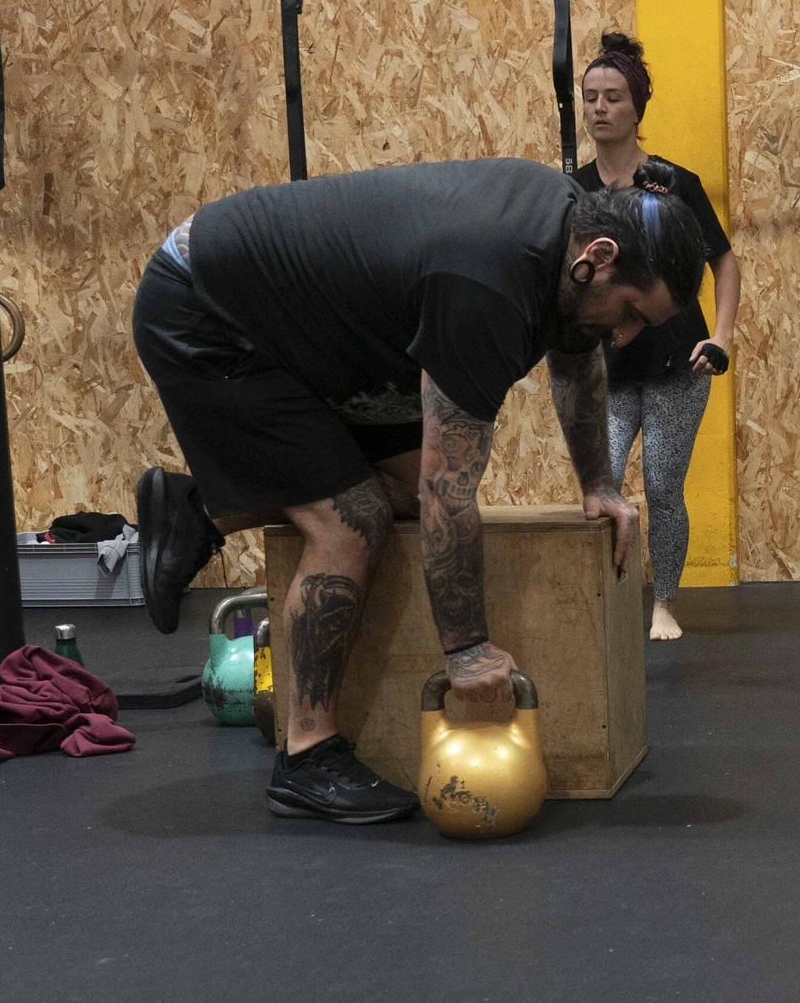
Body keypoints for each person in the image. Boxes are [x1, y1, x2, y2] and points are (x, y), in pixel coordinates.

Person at [132, 159, 706, 822]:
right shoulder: (488, 281)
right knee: (352, 523)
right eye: (631, 310)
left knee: (394, 495)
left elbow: (576, 360)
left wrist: (598, 481)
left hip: (316, 332)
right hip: (209, 312)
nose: (627, 332)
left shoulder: (569, 235)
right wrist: (465, 648)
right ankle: (306, 757)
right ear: (598, 257)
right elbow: (448, 489)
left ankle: (199, 508)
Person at [576, 31, 739, 642]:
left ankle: (663, 602)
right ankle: (611, 604)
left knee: (664, 486)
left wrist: (720, 336)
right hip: (605, 369)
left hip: (677, 363)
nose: (598, 109)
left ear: (636, 108)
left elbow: (723, 261)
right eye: (589, 97)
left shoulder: (672, 184)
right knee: (605, 484)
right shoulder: (573, 192)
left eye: (612, 97)